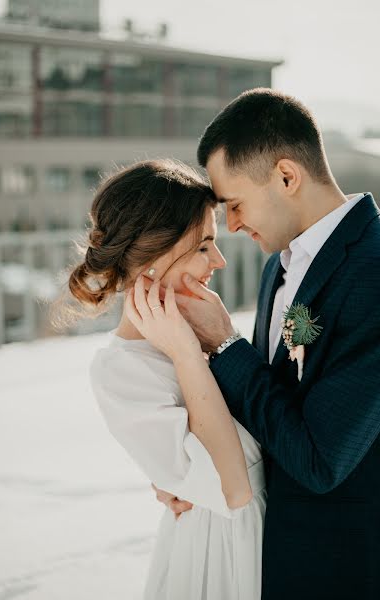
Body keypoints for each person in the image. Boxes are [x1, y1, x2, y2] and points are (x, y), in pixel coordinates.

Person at [147, 88, 380, 600]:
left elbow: (321, 459)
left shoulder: (375, 272)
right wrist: (186, 468)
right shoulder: (277, 263)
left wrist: (226, 344)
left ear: (287, 176)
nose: (230, 226)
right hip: (264, 559)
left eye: (234, 204)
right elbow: (269, 409)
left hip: (341, 568)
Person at [67, 160, 266, 600]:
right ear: (153, 257)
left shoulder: (209, 329)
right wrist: (183, 353)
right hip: (224, 559)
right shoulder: (121, 372)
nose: (220, 260)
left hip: (279, 543)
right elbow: (233, 489)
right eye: (203, 246)